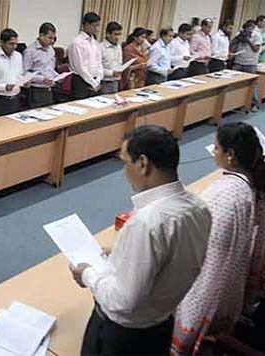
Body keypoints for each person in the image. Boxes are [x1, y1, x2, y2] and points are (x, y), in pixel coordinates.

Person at [70, 125, 211, 355]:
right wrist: (121, 251)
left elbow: (122, 301)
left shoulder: (147, 222)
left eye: (126, 162)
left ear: (143, 163)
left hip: (123, 337)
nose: (124, 171)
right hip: (161, 326)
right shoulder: (200, 207)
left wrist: (87, 274)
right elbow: (171, 258)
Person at [172, 122, 265, 356]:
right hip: (232, 282)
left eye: (217, 147)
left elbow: (197, 240)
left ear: (230, 155)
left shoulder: (225, 195)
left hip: (206, 287)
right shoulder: (258, 181)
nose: (213, 152)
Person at [68, 12, 103, 99]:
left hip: (95, 81)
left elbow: (99, 63)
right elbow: (80, 67)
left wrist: (98, 80)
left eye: (98, 26)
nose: (97, 29)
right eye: (95, 26)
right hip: (81, 81)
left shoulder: (95, 42)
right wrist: (93, 83)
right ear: (87, 25)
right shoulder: (77, 42)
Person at [23, 22, 58, 108]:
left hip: (49, 89)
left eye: (53, 38)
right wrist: (42, 79)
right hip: (36, 91)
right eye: (50, 38)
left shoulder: (51, 50)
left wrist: (57, 76)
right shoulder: (30, 51)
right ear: (41, 35)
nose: (52, 41)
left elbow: (50, 69)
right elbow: (25, 74)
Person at [231, 20, 261, 111]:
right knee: (234, 83)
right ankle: (234, 103)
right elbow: (232, 45)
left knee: (252, 84)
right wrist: (238, 38)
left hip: (250, 62)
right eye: (247, 29)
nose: (248, 31)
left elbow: (256, 49)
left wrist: (248, 40)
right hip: (239, 61)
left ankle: (254, 103)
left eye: (250, 29)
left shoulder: (257, 36)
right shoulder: (240, 34)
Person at [99, 21, 124, 94]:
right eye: (115, 34)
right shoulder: (100, 47)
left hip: (116, 81)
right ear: (108, 34)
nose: (118, 37)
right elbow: (96, 68)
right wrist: (111, 73)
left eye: (119, 34)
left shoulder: (118, 47)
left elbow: (119, 63)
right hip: (104, 81)